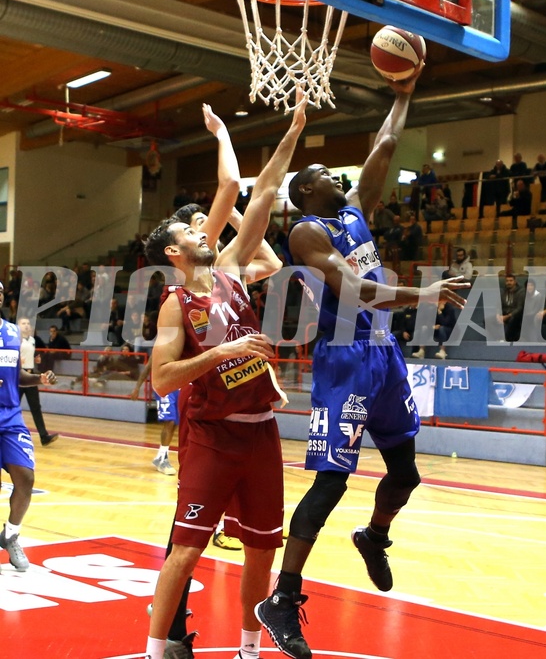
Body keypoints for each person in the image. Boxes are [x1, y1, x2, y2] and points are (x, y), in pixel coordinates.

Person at [254, 71, 468, 659]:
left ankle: (373, 536)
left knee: (406, 475)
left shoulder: (353, 213)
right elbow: (352, 292)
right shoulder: (306, 231)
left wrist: (404, 90)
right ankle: (283, 597)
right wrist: (422, 296)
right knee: (331, 481)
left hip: (383, 355)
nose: (337, 176)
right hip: (344, 360)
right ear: (305, 194)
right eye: (324, 175)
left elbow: (385, 146)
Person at [142, 95, 306, 659]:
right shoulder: (174, 302)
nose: (203, 230)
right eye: (191, 229)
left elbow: (251, 191)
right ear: (175, 250)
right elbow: (162, 380)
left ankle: (248, 649)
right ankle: (157, 650)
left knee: (263, 548)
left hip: (260, 431)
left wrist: (293, 130)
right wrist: (220, 353)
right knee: (185, 551)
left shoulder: (232, 267)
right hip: (212, 432)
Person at [0, 282, 57, 572]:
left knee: (26, 477)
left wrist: (39, 379)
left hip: (10, 416)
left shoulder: (12, 332)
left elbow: (17, 375)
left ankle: (10, 536)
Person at [18, 318, 58, 446]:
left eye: (28, 323)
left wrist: (35, 360)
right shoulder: (14, 340)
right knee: (11, 406)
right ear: (18, 326)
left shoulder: (32, 340)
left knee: (36, 407)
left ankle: (44, 436)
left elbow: (28, 355)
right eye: (23, 323)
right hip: (18, 376)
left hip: (31, 376)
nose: (26, 325)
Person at [495, 273, 525, 342]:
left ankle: (505, 338)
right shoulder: (503, 292)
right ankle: (496, 338)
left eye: (511, 281)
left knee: (513, 319)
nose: (509, 283)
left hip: (515, 315)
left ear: (515, 281)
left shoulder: (521, 292)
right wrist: (498, 315)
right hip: (504, 314)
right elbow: (498, 305)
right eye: (507, 281)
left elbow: (520, 308)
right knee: (488, 321)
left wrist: (507, 316)